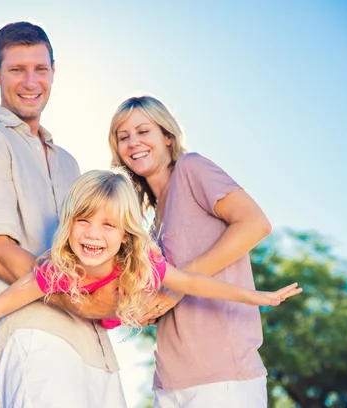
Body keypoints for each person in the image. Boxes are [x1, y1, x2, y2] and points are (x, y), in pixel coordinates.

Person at [0, 170, 301, 385]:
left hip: (131, 298)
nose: (93, 234)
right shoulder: (55, 272)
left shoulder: (143, 261)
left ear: (125, 233)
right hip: (97, 307)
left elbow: (196, 284)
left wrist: (258, 297)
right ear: (69, 224)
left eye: (109, 225)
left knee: (168, 294)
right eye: (83, 221)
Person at [0, 22, 123, 408]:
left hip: (97, 351)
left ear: (53, 72)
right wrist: (86, 301)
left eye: (40, 69)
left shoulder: (69, 163)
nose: (30, 81)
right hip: (33, 337)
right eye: (16, 70)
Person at [109, 96, 280, 407]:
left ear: (168, 137)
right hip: (169, 383)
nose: (133, 143)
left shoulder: (191, 168)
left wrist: (177, 288)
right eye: (123, 137)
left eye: (143, 131)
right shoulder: (149, 223)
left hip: (224, 378)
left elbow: (255, 224)